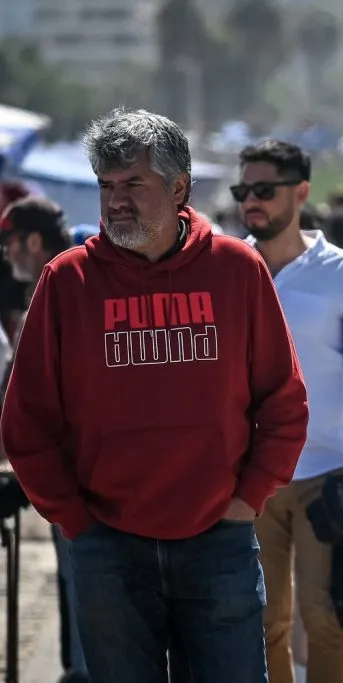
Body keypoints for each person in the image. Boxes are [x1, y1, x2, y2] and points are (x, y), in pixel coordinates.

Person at [0, 108, 310, 683]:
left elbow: (283, 400)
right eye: (106, 186)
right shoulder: (66, 282)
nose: (116, 200)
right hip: (108, 548)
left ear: (179, 187)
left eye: (133, 185)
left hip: (219, 542)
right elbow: (26, 422)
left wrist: (249, 499)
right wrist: (76, 521)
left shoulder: (236, 269)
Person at [234, 140, 343, 683]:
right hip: (247, 477)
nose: (250, 202)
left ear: (300, 191)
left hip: (329, 472)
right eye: (243, 191)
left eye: (263, 190)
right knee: (261, 621)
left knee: (327, 620)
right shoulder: (229, 269)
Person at [0, 197, 87, 683]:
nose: (7, 253)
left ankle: (84, 671)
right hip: (62, 469)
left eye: (10, 243)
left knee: (83, 583)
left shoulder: (64, 287)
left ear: (33, 242)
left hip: (76, 471)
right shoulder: (51, 286)